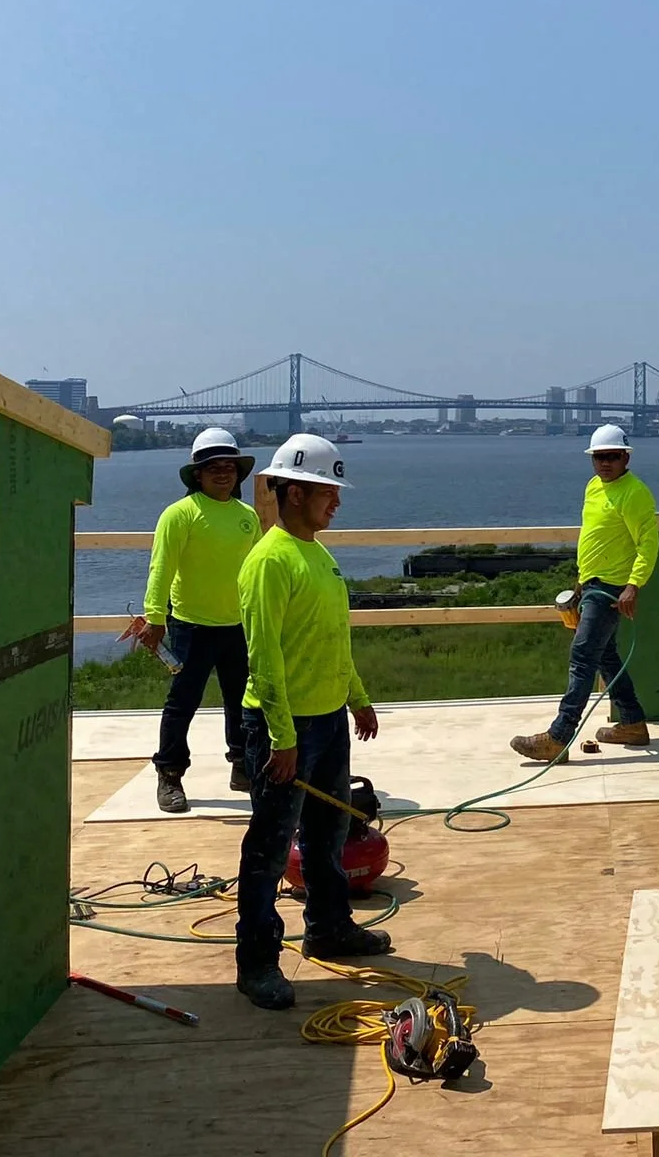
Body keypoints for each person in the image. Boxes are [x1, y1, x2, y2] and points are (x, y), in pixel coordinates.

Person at [234, 432, 392, 1011]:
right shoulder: (270, 562)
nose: (337, 501)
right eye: (329, 491)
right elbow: (264, 657)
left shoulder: (319, 556)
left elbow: (332, 639)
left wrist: (357, 697)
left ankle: (329, 927)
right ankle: (257, 962)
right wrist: (282, 738)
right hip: (285, 729)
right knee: (270, 848)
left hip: (326, 721)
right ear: (295, 492)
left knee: (328, 834)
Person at [510, 423, 658, 762]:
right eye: (598, 457)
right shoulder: (593, 487)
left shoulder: (635, 493)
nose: (605, 463)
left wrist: (633, 585)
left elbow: (648, 544)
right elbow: (594, 538)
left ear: (626, 458)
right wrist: (580, 582)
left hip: (611, 588)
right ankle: (633, 723)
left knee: (582, 656)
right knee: (606, 656)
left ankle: (558, 736)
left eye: (612, 456)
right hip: (592, 584)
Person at [136, 427, 263, 812]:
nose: (222, 474)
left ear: (238, 474)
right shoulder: (180, 514)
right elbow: (161, 567)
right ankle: (169, 773)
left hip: (237, 625)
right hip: (190, 625)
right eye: (213, 468)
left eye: (229, 467)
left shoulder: (247, 516)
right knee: (182, 703)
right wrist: (154, 617)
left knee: (242, 701)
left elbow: (258, 570)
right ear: (197, 474)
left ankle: (242, 766)